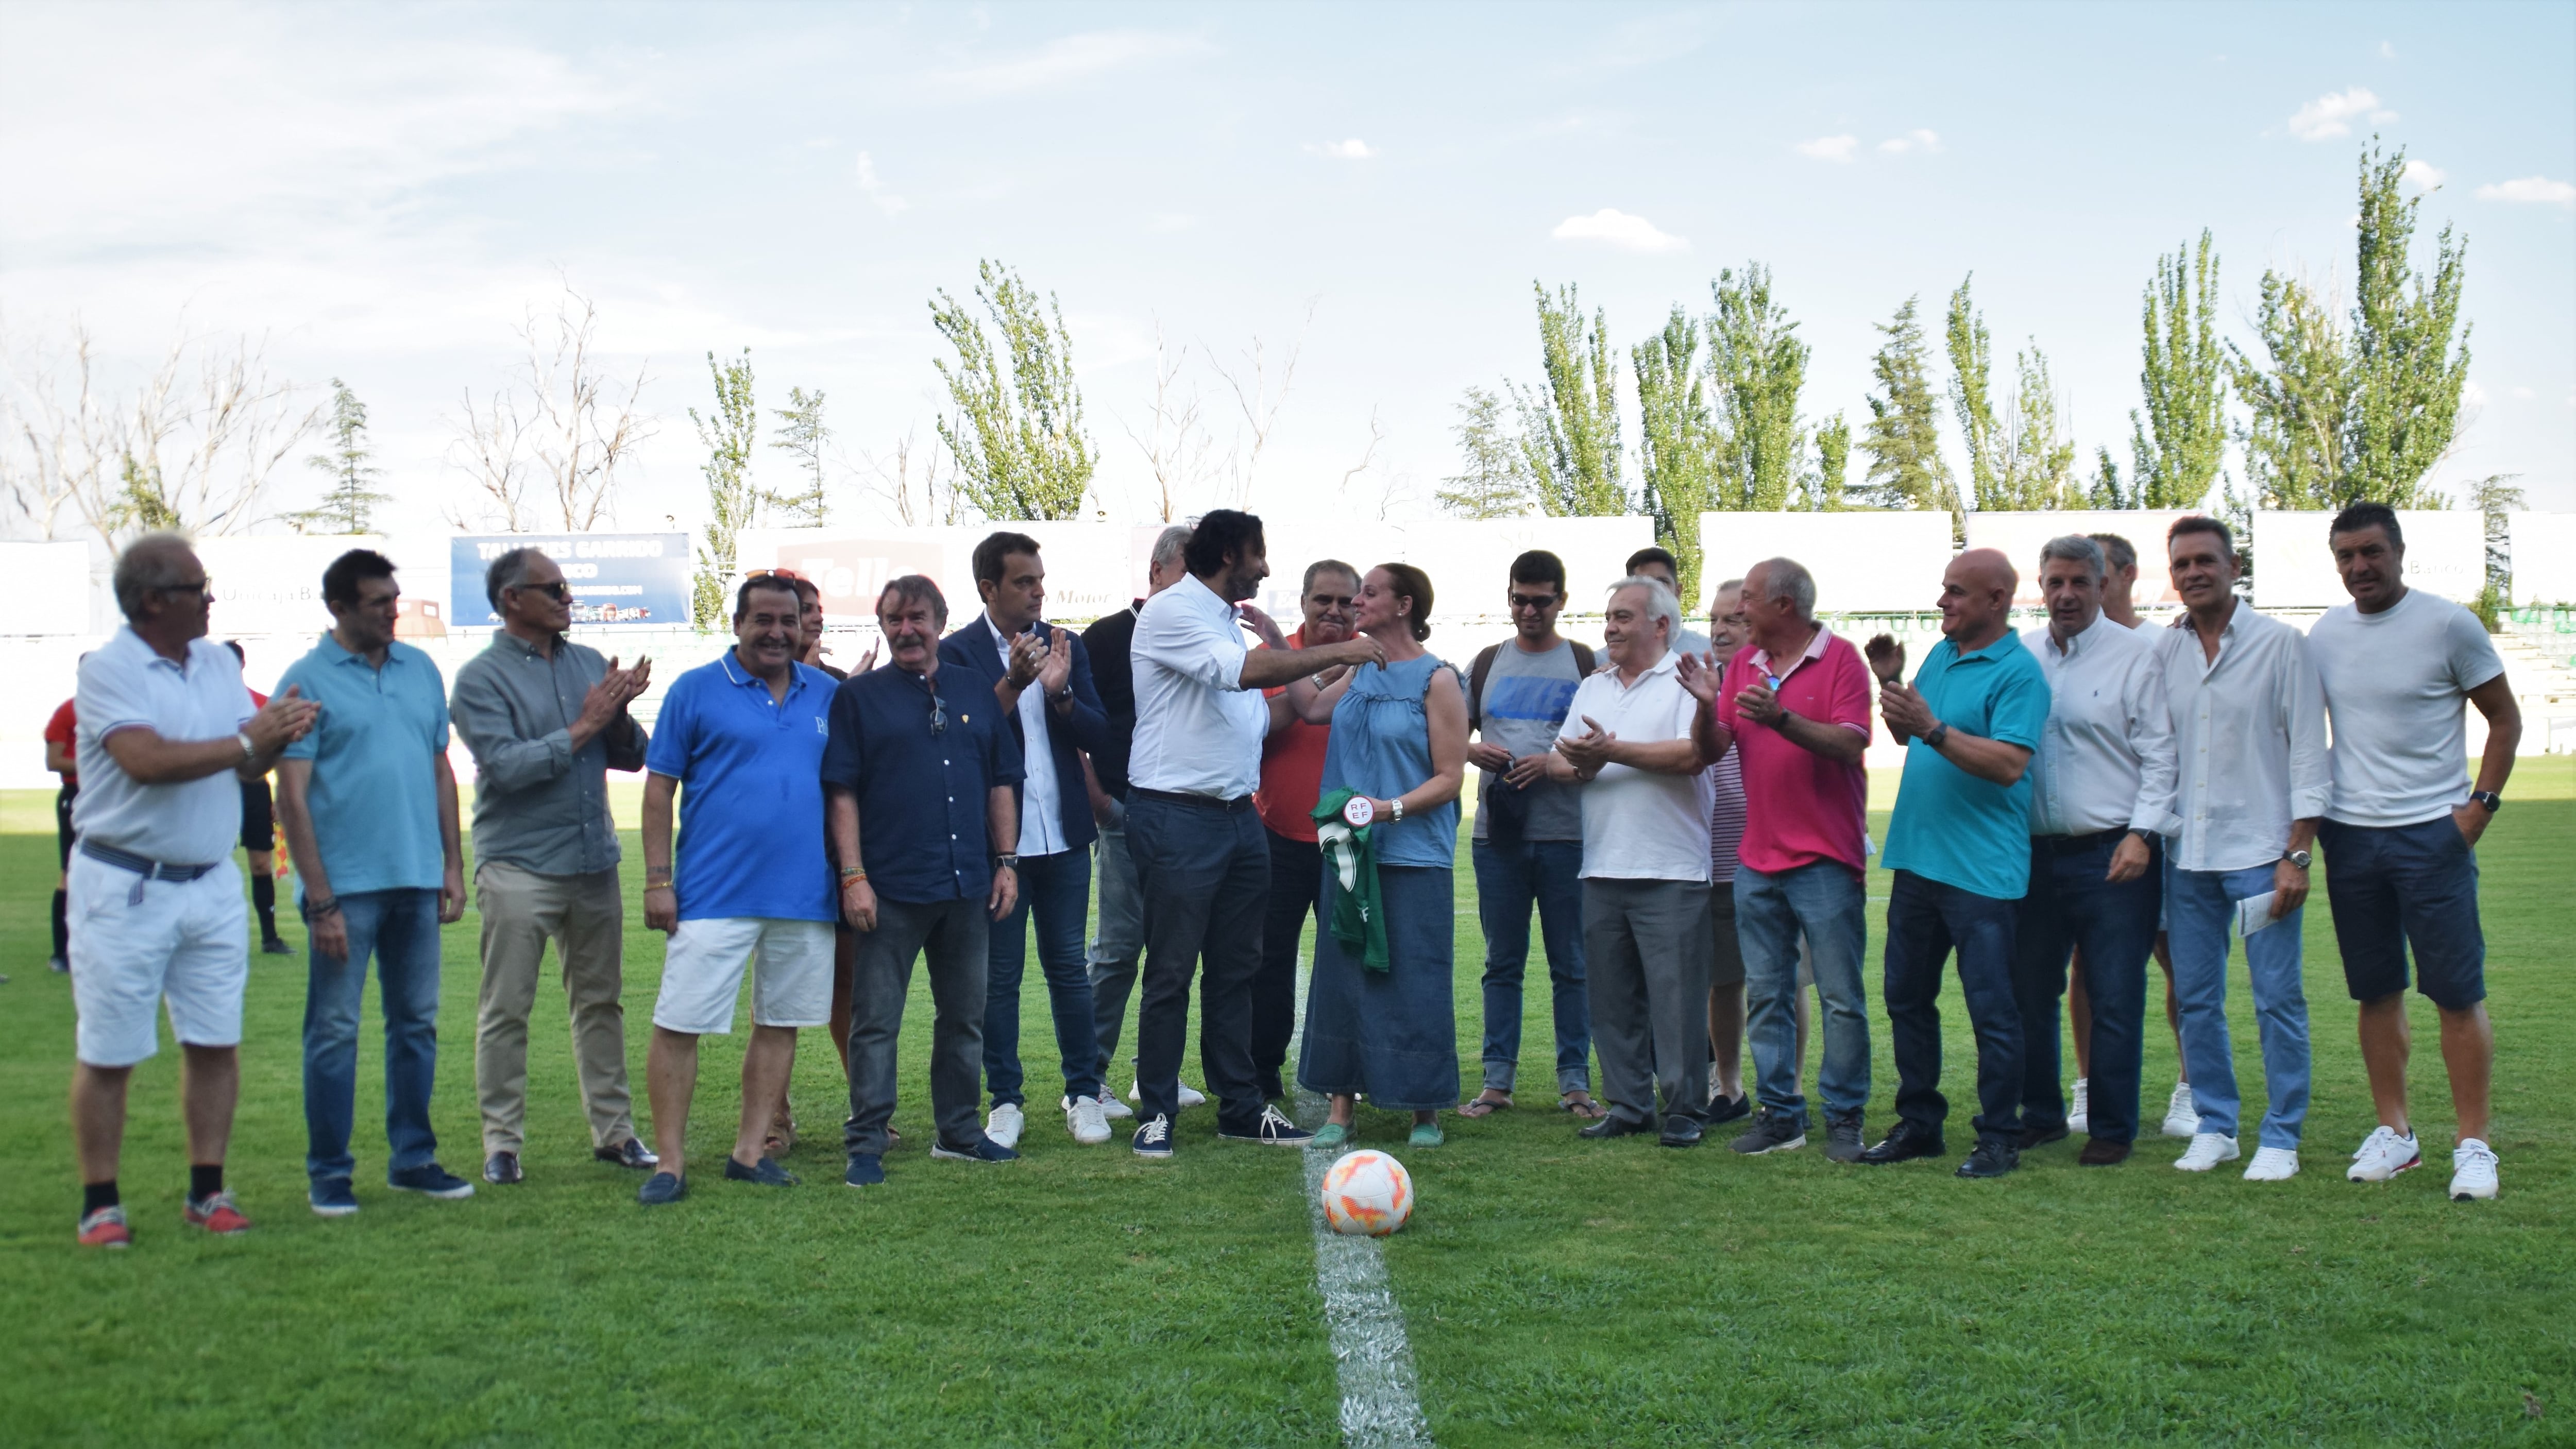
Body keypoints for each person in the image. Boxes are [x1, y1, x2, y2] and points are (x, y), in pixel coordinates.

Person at [66, 533, 319, 1247]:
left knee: (215, 1041)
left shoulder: (214, 663)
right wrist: (248, 743)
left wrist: (278, 734)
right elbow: (143, 760)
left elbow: (244, 764)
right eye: (197, 589)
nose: (211, 602)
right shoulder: (111, 670)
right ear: (153, 600)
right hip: (125, 883)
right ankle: (101, 1201)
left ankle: (208, 1190)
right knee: (110, 1049)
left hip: (209, 882)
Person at [1124, 509, 1380, 1157]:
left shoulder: (1219, 618)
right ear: (1230, 552)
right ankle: (1155, 1109)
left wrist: (1324, 673)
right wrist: (1340, 651)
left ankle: (1240, 1105)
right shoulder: (1173, 609)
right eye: (1258, 554)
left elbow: (1256, 715)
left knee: (1240, 968)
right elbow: (1241, 675)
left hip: (1239, 816)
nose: (1265, 567)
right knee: (1173, 969)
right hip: (1176, 813)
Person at [2309, 503, 2519, 1202]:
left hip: (2433, 834)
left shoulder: (2449, 624)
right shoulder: (2327, 633)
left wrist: (2478, 809)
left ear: (2399, 550)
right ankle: (2396, 1135)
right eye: (2346, 556)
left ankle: (2474, 1144)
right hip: (2352, 836)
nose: (2359, 567)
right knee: (2376, 992)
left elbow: (2504, 719)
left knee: (2456, 993)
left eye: (2371, 552)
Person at [272, 550, 472, 1217]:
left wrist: (450, 863)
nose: (394, 610)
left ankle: (413, 1159)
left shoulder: (420, 670)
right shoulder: (305, 680)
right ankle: (329, 1172)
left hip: (416, 880)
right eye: (378, 602)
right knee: (333, 1030)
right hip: (346, 891)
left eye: (395, 597)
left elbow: (440, 769)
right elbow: (292, 798)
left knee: (416, 1025)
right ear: (338, 608)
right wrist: (320, 897)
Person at [451, 547, 658, 1186]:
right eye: (556, 589)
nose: (569, 599)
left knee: (602, 1003)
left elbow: (632, 757)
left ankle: (615, 1132)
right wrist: (585, 724)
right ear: (513, 598)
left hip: (593, 861)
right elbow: (507, 769)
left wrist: (618, 715)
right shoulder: (479, 679)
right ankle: (502, 1143)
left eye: (568, 590)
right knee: (506, 1007)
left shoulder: (591, 663)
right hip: (518, 864)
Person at [633, 575, 839, 1205]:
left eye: (789, 620)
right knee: (679, 1023)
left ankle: (749, 1152)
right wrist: (657, 880)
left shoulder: (828, 694)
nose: (777, 632)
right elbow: (658, 790)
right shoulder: (694, 690)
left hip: (805, 896)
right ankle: (669, 1162)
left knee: (780, 1023)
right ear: (738, 623)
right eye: (764, 620)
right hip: (709, 894)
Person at [826, 575, 1025, 1186]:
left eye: (917, 617)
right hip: (889, 887)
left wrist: (1007, 861)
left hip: (966, 885)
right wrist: (853, 875)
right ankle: (866, 1141)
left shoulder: (973, 689)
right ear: (881, 625)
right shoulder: (859, 697)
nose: (906, 630)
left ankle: (959, 1132)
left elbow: (1000, 779)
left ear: (940, 619)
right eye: (893, 619)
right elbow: (842, 791)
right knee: (876, 1019)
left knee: (964, 1015)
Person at [1678, 557, 1874, 1161]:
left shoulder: (1840, 659)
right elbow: (1713, 749)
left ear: (1784, 606)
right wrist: (1709, 705)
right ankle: (1780, 1115)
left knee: (1840, 995)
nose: (1738, 612)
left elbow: (1850, 741)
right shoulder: (1742, 664)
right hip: (1756, 860)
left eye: (1749, 600)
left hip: (1824, 857)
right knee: (1766, 992)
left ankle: (1843, 1116)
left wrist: (1782, 718)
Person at [1866, 549, 2049, 1180]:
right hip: (1918, 862)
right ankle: (1920, 1124)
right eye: (1944, 590)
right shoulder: (1942, 653)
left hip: (1980, 874)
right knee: (1906, 999)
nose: (1942, 601)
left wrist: (1934, 726)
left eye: (1956, 592)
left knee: (1992, 1010)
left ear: (1996, 600)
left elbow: (2007, 765)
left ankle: (1999, 1135)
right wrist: (1890, 683)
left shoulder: (2020, 674)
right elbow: (1907, 732)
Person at [2155, 516, 2328, 1182]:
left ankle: (2281, 1135)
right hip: (2189, 857)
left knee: (2276, 998)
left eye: (2205, 560)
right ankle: (2217, 1126)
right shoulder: (2165, 651)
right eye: (2182, 565)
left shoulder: (2282, 644)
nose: (2194, 573)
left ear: (2234, 566)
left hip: (2263, 853)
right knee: (2196, 999)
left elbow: (2310, 752)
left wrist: (2299, 851)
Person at [941, 532, 1114, 1150]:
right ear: (988, 588)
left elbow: (1099, 731)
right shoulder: (956, 652)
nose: (1038, 591)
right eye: (1023, 581)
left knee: (1069, 968)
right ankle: (1005, 1100)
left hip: (1065, 835)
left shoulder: (1065, 644)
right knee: (1001, 976)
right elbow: (961, 740)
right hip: (999, 846)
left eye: (1040, 579)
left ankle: (1083, 1092)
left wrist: (1061, 689)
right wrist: (1014, 683)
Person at [1285, 564, 1468, 1148]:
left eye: (1369, 592)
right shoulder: (1359, 667)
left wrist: (1387, 808)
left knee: (1415, 976)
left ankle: (1424, 1111)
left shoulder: (1437, 679)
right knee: (1343, 975)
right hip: (1346, 850)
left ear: (1404, 604)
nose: (1354, 601)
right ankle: (1340, 1109)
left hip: (1413, 855)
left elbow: (1449, 777)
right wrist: (1270, 638)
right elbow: (1312, 709)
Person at [2008, 536, 2176, 1168]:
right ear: (2040, 585)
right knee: (2029, 989)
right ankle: (2041, 1115)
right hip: (2031, 853)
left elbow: (2162, 755)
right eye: (2055, 581)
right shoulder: (2023, 654)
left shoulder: (2137, 656)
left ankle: (2111, 1126)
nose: (2066, 594)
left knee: (2112, 992)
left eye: (2079, 581)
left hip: (2114, 852)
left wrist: (2142, 834)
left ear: (2103, 585)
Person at [1547, 575, 1715, 1147]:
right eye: (1609, 616)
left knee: (1677, 1000)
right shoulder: (1593, 686)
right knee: (1612, 998)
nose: (1610, 626)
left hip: (1671, 869)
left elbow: (1691, 755)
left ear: (1660, 625)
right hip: (1601, 866)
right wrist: (1584, 765)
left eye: (1622, 616)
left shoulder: (1686, 680)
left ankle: (1686, 1107)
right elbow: (1556, 762)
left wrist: (1607, 752)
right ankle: (1627, 1103)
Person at [1461, 550, 1601, 1120]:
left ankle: (1575, 1082)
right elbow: (1449, 733)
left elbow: (1600, 747)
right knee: (1502, 961)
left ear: (1561, 601)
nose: (1528, 610)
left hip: (1568, 834)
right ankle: (1497, 1081)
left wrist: (1550, 762)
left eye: (1540, 600)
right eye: (1518, 598)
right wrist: (1473, 750)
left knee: (1572, 962)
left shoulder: (1585, 662)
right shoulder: (1486, 661)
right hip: (1499, 837)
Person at [2072, 530, 2194, 1139]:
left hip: (2162, 832)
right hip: (2092, 837)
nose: (2081, 584)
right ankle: (2087, 1087)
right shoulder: (2062, 649)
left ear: (2122, 575)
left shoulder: (2161, 645)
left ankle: (2188, 1086)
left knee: (2178, 961)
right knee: (2083, 968)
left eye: (2094, 572)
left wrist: (2151, 824)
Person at [1078, 525, 1189, 1118]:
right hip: (1124, 812)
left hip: (1185, 816)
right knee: (1119, 949)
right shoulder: (1106, 636)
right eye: (1187, 573)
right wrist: (1098, 797)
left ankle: (1155, 1076)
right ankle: (1088, 1078)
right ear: (1155, 572)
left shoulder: (1201, 633)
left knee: (1174, 952)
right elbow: (1064, 718)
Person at [1253, 559, 1361, 1102]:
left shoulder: (1372, 658)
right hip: (1275, 835)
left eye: (1346, 601)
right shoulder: (1271, 660)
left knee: (1349, 959)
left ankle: (1349, 1074)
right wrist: (1302, 669)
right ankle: (1262, 1070)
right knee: (1268, 961)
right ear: (1302, 601)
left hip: (1348, 839)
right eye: (1324, 599)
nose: (1335, 611)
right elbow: (1260, 728)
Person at [1698, 578, 1752, 1122]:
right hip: (1711, 857)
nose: (1718, 629)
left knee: (1785, 981)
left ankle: (1788, 1092)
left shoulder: (1774, 683)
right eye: (1714, 618)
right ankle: (1727, 1084)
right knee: (1722, 980)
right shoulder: (1699, 685)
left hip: (1772, 856)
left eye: (1733, 619)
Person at [221, 641, 292, 957]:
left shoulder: (261, 705)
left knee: (261, 864)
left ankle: (270, 937)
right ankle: (217, 936)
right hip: (216, 789)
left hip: (254, 789)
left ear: (242, 666)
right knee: (212, 862)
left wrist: (279, 796)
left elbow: (280, 755)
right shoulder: (201, 705)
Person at [1624, 547, 1711, 655]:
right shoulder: (1606, 660)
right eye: (1644, 584)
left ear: (1678, 592)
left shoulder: (1708, 653)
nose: (1655, 590)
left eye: (1662, 583)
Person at [45, 691, 78, 975]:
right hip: (76, 796)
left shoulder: (122, 707)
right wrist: (100, 766)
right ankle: (62, 954)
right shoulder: (68, 711)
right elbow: (53, 761)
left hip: (112, 798)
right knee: (69, 874)